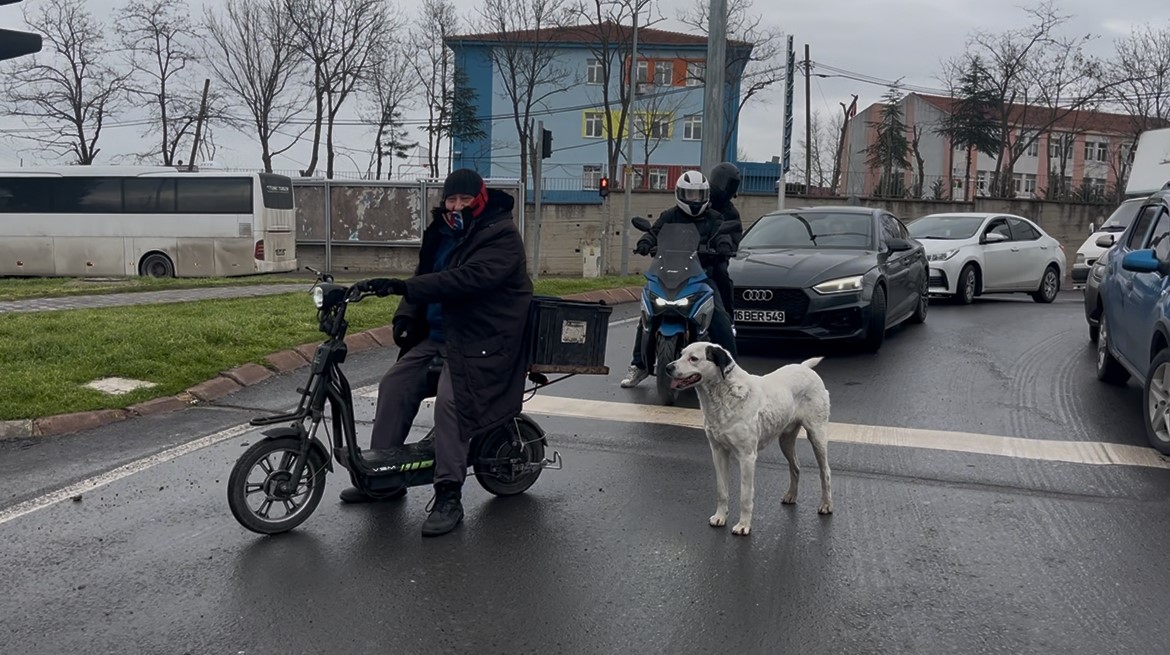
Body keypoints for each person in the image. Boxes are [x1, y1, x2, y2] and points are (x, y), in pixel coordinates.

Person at [341, 168, 534, 538]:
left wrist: (404, 288)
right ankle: (384, 480)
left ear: (480, 199)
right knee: (395, 384)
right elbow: (425, 273)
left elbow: (468, 279)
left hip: (484, 341)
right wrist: (406, 314)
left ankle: (449, 495)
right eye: (451, 199)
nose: (457, 206)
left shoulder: (501, 235)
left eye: (465, 199)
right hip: (442, 337)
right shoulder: (442, 232)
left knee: (451, 401)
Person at [620, 170, 738, 388]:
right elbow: (654, 232)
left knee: (720, 318)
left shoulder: (714, 218)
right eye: (690, 194)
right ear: (680, 194)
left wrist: (724, 244)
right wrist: (645, 242)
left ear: (706, 195)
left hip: (702, 276)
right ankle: (639, 365)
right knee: (647, 317)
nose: (694, 199)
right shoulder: (669, 216)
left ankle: (731, 371)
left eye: (698, 194)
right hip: (667, 275)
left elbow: (722, 234)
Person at [707, 162, 743, 319]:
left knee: (722, 272)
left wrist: (726, 247)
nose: (727, 188)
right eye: (727, 184)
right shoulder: (698, 201)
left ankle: (728, 315)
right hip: (689, 255)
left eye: (732, 186)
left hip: (714, 256)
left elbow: (735, 235)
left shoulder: (730, 212)